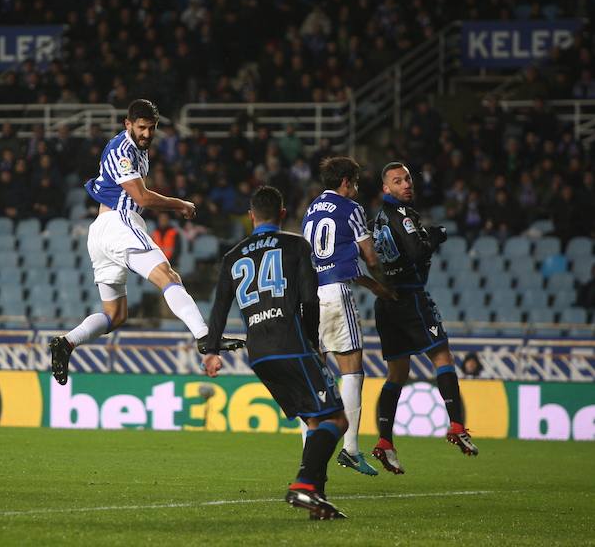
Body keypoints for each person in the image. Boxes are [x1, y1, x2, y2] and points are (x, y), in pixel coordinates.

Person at [49, 100, 243, 385]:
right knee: (168, 276)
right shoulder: (123, 149)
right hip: (120, 223)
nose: (147, 134)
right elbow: (141, 198)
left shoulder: (138, 151)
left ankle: (66, 343)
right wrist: (180, 204)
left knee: (115, 315)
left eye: (152, 128)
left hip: (103, 232)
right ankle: (205, 336)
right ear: (128, 124)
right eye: (141, 128)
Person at [203, 186, 348, 520]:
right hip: (291, 343)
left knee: (315, 419)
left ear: (251, 216)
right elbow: (310, 300)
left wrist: (211, 350)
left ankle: (316, 498)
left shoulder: (232, 256)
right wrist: (313, 343)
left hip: (259, 352)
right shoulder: (297, 245)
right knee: (337, 418)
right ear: (282, 214)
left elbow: (219, 308)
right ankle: (304, 486)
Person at [370, 162, 479, 474]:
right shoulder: (402, 215)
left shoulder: (376, 219)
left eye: (407, 179)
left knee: (397, 374)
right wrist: (437, 234)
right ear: (385, 188)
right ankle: (457, 425)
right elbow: (417, 250)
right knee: (442, 357)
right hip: (410, 298)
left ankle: (385, 442)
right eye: (397, 181)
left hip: (386, 301)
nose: (406, 184)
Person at [301, 156, 396, 477]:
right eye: (354, 182)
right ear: (345, 182)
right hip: (336, 295)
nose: (355, 187)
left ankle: (308, 453)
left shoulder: (310, 211)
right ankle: (351, 449)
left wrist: (374, 288)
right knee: (352, 370)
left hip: (310, 297)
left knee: (315, 374)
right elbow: (369, 257)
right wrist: (387, 284)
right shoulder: (351, 209)